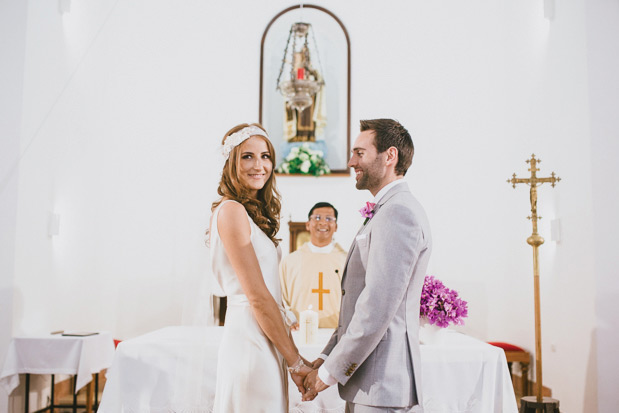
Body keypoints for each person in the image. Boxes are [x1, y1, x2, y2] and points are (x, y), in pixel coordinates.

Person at [304, 119, 433, 412]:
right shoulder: (387, 209)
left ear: (389, 156)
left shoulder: (399, 212)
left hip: (382, 382)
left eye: (359, 153)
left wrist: (327, 374)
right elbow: (358, 301)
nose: (351, 162)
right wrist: (326, 358)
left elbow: (376, 307)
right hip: (371, 381)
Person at [208, 123, 312, 412]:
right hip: (249, 341)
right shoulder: (231, 211)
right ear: (231, 162)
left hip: (266, 338)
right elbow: (256, 296)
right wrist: (297, 362)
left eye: (265, 156)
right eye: (247, 156)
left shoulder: (249, 214)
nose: (259, 165)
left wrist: (290, 354)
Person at [280, 202, 347, 328]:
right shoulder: (290, 262)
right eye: (317, 218)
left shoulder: (346, 261)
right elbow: (280, 298)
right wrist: (290, 321)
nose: (322, 222)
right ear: (308, 225)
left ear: (336, 226)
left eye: (329, 219)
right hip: (299, 332)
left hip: (337, 334)